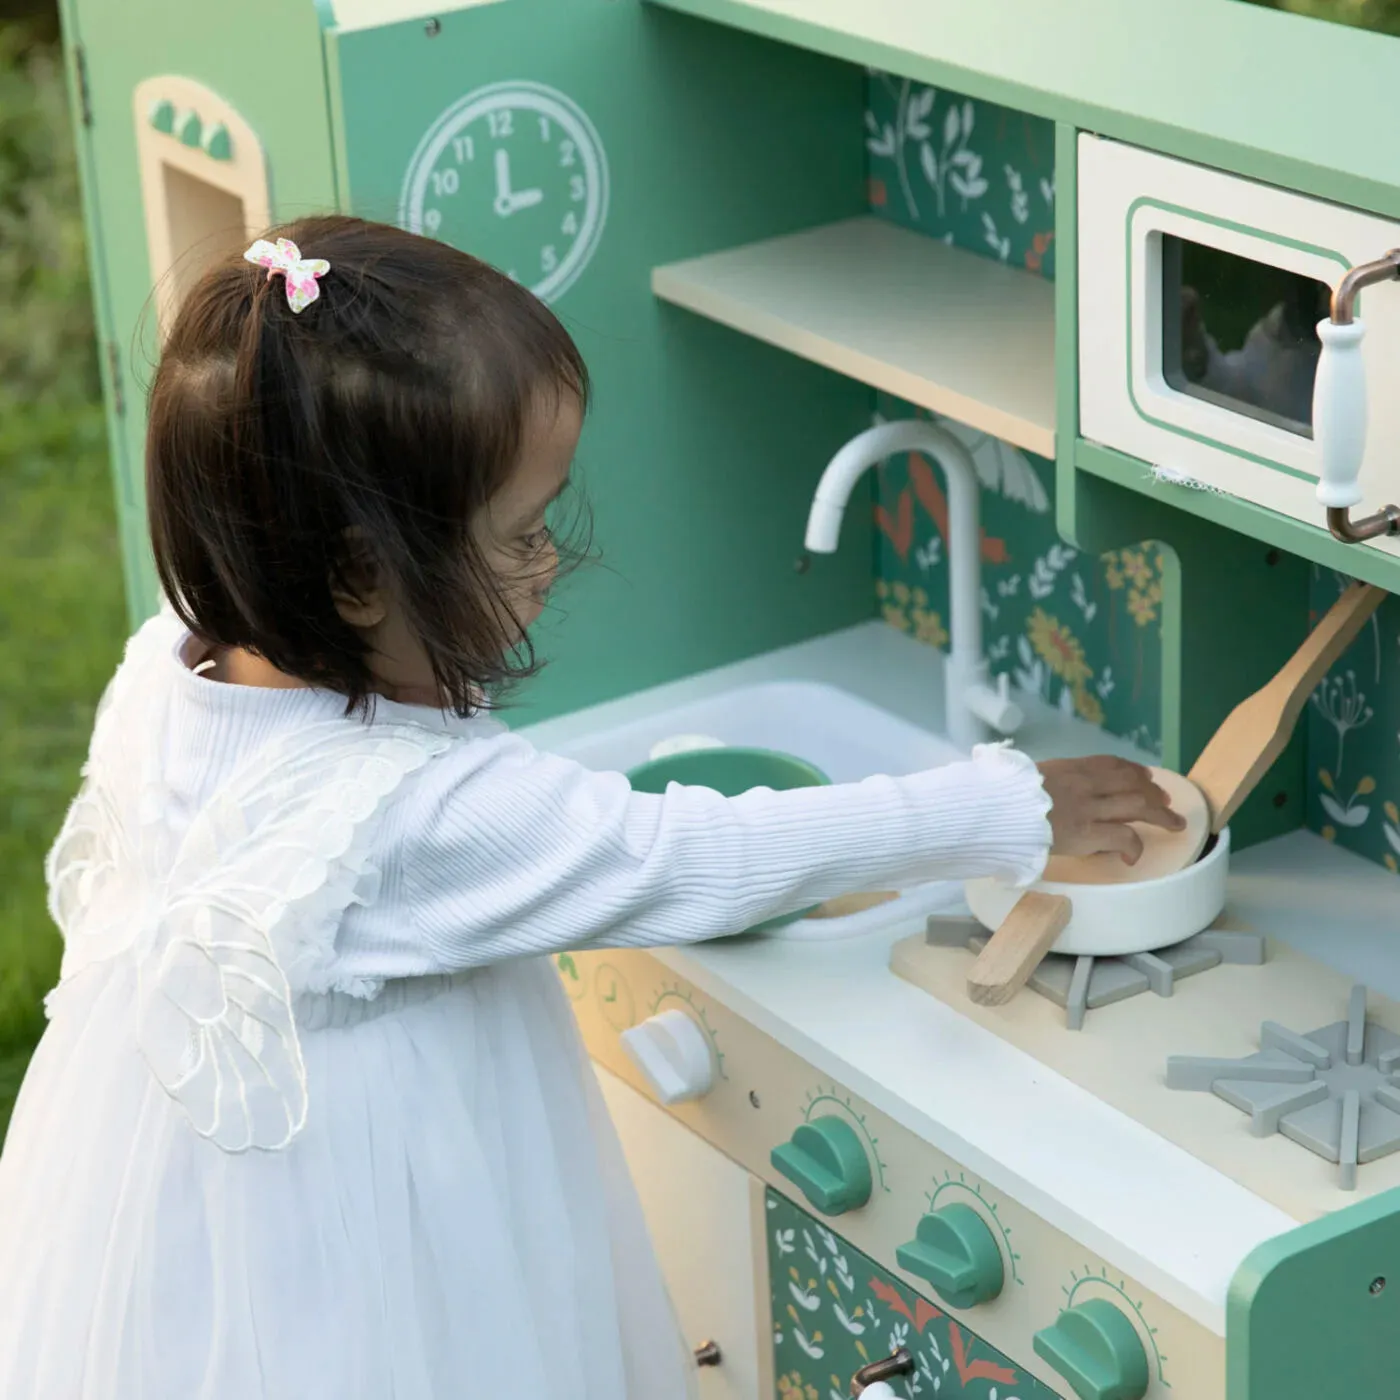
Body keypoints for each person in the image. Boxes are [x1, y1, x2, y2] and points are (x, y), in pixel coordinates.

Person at [0, 217, 1180, 1399]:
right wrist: (1001, 799)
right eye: (519, 534)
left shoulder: (174, 658)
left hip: (160, 1193)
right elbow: (691, 853)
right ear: (361, 575)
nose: (550, 560)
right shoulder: (418, 811)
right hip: (376, 1226)